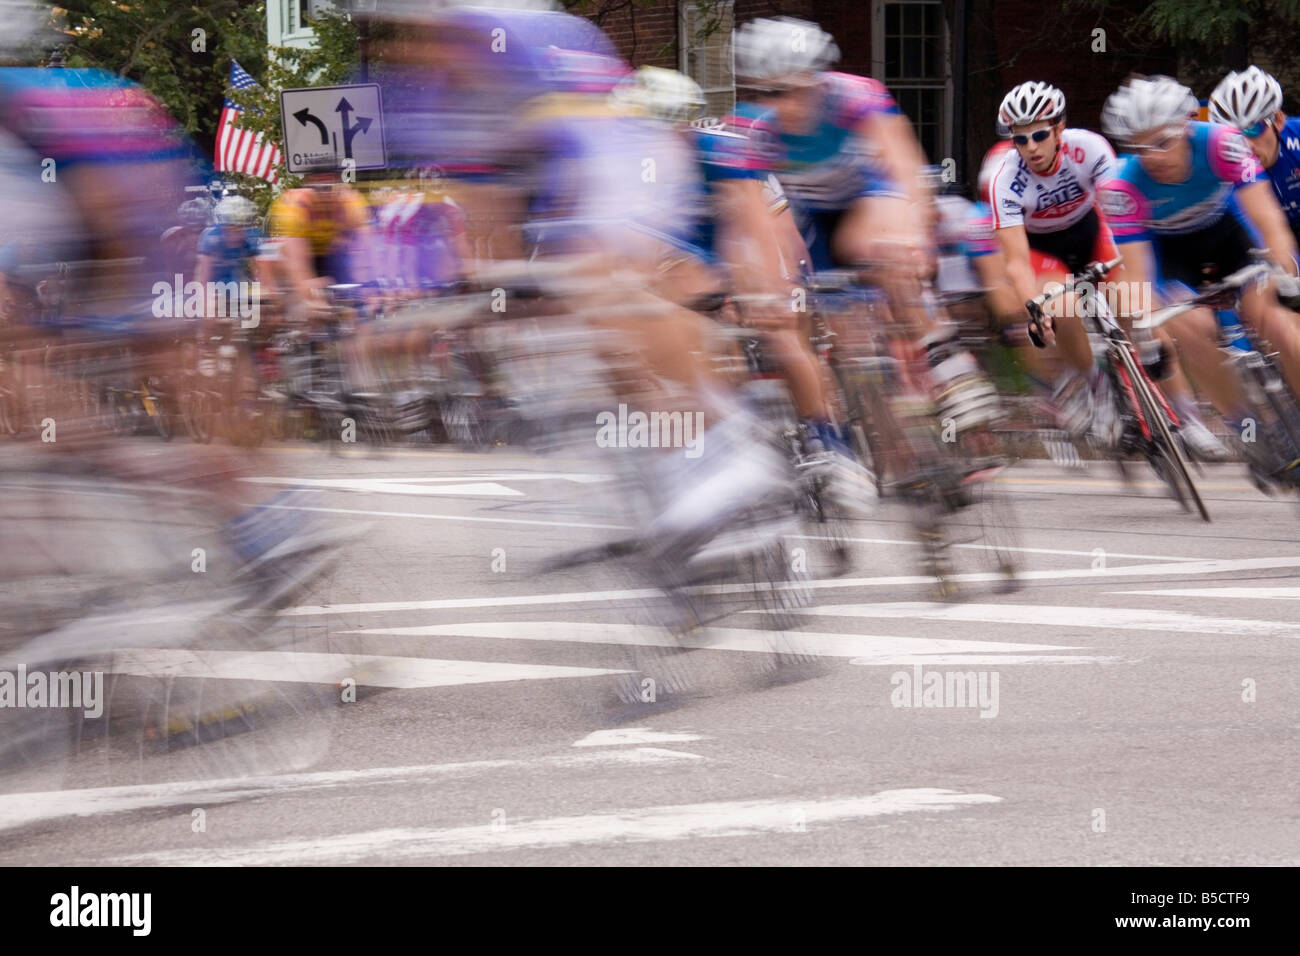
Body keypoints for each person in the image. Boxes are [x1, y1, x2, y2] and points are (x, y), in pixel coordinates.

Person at [1098, 74, 1300, 470]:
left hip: (1231, 237)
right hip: (1172, 256)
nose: (1151, 155)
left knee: (1276, 318)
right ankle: (1249, 427)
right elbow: (1138, 275)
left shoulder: (1221, 143)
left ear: (1188, 126)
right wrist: (1148, 337)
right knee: (1191, 329)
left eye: (1162, 141)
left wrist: (1289, 278)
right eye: (1139, 147)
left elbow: (1268, 219)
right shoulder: (1122, 188)